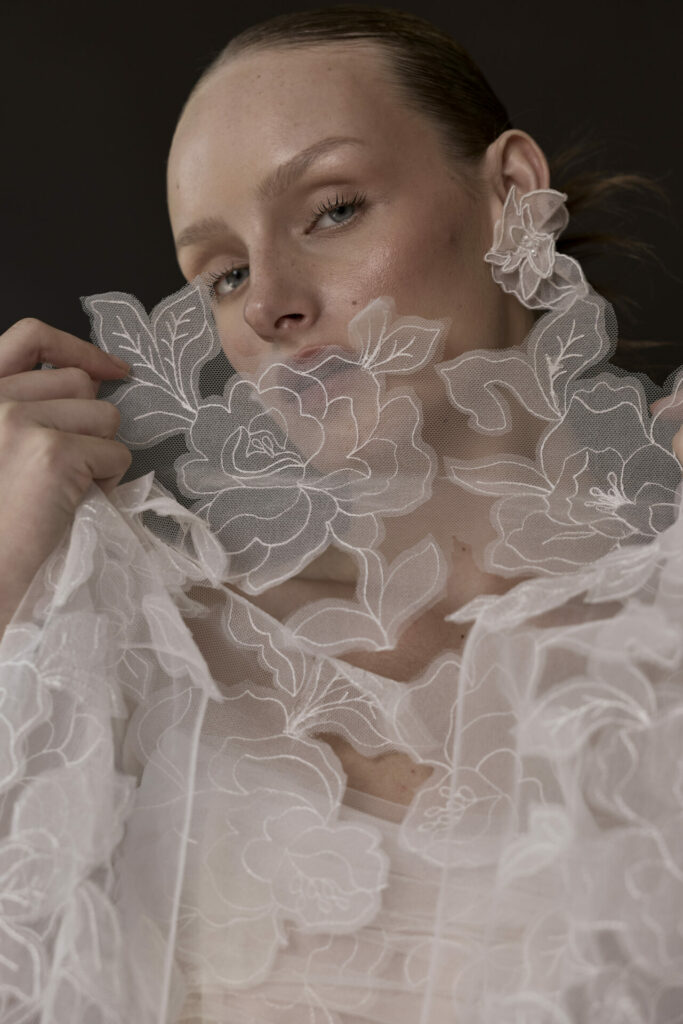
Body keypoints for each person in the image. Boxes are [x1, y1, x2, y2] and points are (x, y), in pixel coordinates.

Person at [2, 8, 683, 1022]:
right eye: (222, 274)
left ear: (507, 194)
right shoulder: (147, 661)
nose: (269, 301)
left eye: (331, 210)